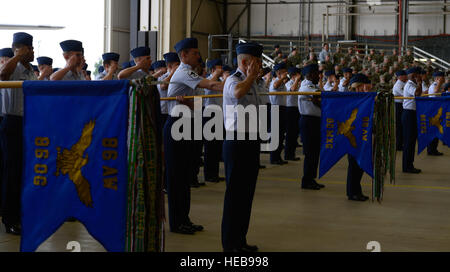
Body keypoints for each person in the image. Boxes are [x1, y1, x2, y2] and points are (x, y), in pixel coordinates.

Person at [164, 37, 224, 234]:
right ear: (184, 55)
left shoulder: (189, 73)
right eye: (195, 53)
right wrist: (234, 86)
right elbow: (213, 86)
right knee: (176, 177)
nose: (199, 56)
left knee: (185, 174)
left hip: (186, 124)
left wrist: (190, 103)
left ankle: (184, 218)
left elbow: (198, 106)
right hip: (176, 126)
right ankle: (177, 222)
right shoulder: (184, 72)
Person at [221, 42, 263, 252]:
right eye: (257, 61)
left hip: (251, 141)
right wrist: (250, 77)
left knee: (246, 195)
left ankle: (240, 240)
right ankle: (230, 244)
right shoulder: (234, 80)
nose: (260, 65)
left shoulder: (252, 82)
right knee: (235, 195)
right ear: (246, 62)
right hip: (236, 142)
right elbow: (237, 93)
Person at [0, 32, 37, 235]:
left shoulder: (30, 71)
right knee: (11, 174)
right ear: (20, 48)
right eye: (29, 49)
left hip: (27, 125)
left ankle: (21, 215)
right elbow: (3, 75)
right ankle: (9, 219)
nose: (32, 52)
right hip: (12, 124)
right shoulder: (12, 67)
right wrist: (16, 55)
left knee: (23, 173)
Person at [298, 63, 325, 190]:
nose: (319, 76)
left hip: (315, 121)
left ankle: (311, 178)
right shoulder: (306, 85)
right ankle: (306, 180)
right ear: (309, 75)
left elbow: (321, 98)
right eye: (316, 74)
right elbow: (320, 94)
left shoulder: (313, 85)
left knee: (315, 152)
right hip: (308, 121)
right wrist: (318, 99)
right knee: (310, 153)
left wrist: (318, 101)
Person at [345, 73, 371, 201]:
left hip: (361, 134)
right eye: (363, 86)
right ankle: (352, 192)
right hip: (353, 135)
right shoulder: (352, 98)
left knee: (359, 165)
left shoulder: (361, 97)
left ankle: (356, 189)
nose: (365, 88)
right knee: (354, 165)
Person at [203, 59, 226, 183]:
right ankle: (208, 174)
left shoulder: (221, 81)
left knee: (217, 147)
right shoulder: (207, 80)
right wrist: (216, 74)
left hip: (219, 114)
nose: (221, 70)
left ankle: (214, 173)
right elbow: (208, 86)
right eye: (219, 68)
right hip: (210, 114)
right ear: (212, 69)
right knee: (210, 147)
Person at [402, 67, 423, 174]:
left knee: (411, 141)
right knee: (409, 141)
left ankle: (409, 164)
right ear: (413, 75)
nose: (420, 76)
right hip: (409, 114)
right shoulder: (410, 84)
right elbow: (417, 94)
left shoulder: (413, 84)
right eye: (418, 74)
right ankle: (407, 166)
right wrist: (419, 83)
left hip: (412, 113)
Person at [269, 62, 289, 165]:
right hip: (276, 109)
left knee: (281, 135)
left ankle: (277, 156)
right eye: (283, 71)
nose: (286, 73)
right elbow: (276, 85)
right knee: (276, 134)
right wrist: (281, 78)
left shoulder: (281, 82)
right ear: (278, 73)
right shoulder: (275, 81)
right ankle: (273, 157)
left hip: (282, 109)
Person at [158, 52, 180, 128]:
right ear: (170, 66)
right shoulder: (163, 77)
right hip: (165, 112)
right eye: (177, 65)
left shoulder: (181, 75)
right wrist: (172, 73)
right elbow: (163, 86)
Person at [426, 71, 446, 156]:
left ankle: (433, 149)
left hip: (436, 109)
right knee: (434, 129)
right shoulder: (434, 85)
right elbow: (436, 91)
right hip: (433, 110)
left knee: (435, 130)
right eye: (442, 77)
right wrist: (440, 83)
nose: (444, 79)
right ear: (437, 78)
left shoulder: (438, 85)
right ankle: (431, 150)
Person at [284, 67, 302, 161]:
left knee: (294, 133)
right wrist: (296, 80)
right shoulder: (288, 84)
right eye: (297, 75)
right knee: (290, 133)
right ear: (292, 76)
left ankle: (292, 154)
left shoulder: (298, 84)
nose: (299, 77)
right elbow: (292, 90)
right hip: (290, 109)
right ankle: (288, 154)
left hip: (296, 109)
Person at [392, 70, 407, 151]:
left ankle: (400, 143)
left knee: (401, 126)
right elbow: (405, 94)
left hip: (402, 105)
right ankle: (398, 145)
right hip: (398, 106)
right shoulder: (398, 85)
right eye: (404, 75)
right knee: (399, 126)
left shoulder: (404, 83)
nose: (406, 77)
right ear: (399, 77)